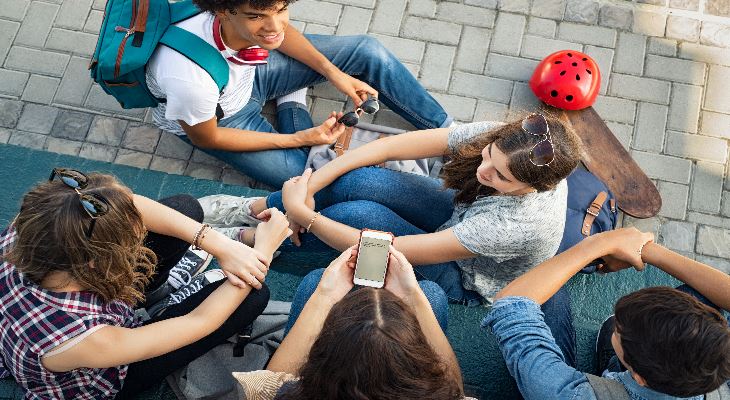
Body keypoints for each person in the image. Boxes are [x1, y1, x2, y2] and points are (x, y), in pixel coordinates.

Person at [201, 113, 585, 365]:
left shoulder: (517, 224)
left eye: (500, 176)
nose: (484, 170)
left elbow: (383, 249)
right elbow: (388, 147)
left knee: (356, 217)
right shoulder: (511, 141)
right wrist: (306, 190)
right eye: (486, 156)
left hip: (467, 274)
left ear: (535, 186)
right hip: (459, 213)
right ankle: (256, 210)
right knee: (358, 179)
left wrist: (306, 216)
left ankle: (259, 238)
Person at [0, 169, 291, 399]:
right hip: (107, 372)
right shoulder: (81, 339)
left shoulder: (38, 227)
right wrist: (261, 252)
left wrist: (217, 244)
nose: (139, 237)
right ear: (96, 262)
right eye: (131, 240)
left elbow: (131, 205)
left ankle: (154, 295)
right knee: (252, 296)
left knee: (185, 209)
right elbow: (198, 322)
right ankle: (159, 310)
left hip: (85, 308)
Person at [146, 0, 453, 188]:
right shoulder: (189, 79)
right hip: (223, 120)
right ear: (223, 11)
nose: (274, 24)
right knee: (308, 180)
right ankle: (291, 104)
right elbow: (207, 138)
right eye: (256, 16)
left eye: (281, 9)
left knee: (367, 51)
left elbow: (278, 36)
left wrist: (337, 74)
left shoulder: (253, 22)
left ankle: (450, 133)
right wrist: (299, 138)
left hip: (249, 75)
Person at [484, 227, 730, 400]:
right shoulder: (715, 360)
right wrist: (646, 250)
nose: (618, 321)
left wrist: (597, 244)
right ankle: (615, 363)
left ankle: (611, 367)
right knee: (704, 295)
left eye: (620, 330)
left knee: (550, 294)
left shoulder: (569, 395)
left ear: (639, 376)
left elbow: (511, 303)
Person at [232, 245, 473, 400]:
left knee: (315, 280)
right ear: (416, 358)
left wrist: (324, 295)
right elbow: (456, 391)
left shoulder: (281, 391)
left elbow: (274, 383)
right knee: (431, 293)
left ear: (322, 352)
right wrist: (414, 297)